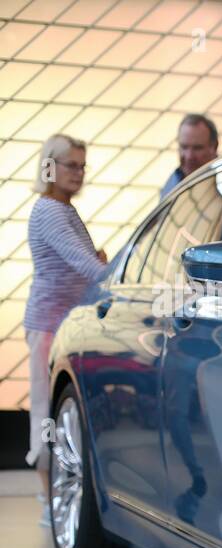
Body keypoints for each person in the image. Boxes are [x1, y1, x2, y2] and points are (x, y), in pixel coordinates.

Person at [25, 134, 111, 526]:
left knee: (59, 413)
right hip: (48, 327)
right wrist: (118, 277)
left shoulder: (64, 209)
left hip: (64, 326)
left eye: (82, 165)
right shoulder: (50, 211)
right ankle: (48, 499)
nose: (78, 173)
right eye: (71, 165)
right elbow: (85, 263)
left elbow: (86, 264)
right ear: (50, 167)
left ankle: (55, 494)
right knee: (46, 413)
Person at [161, 113, 219, 197]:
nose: (189, 156)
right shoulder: (171, 185)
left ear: (214, 147)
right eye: (184, 147)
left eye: (197, 148)